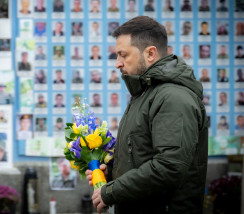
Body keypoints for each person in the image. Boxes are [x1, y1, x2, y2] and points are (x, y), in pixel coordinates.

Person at [86, 16, 208, 213]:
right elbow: (142, 156)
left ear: (150, 53)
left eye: (123, 55)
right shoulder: (145, 92)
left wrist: (113, 191)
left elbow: (169, 167)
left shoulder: (173, 98)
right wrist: (111, 174)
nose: (117, 63)